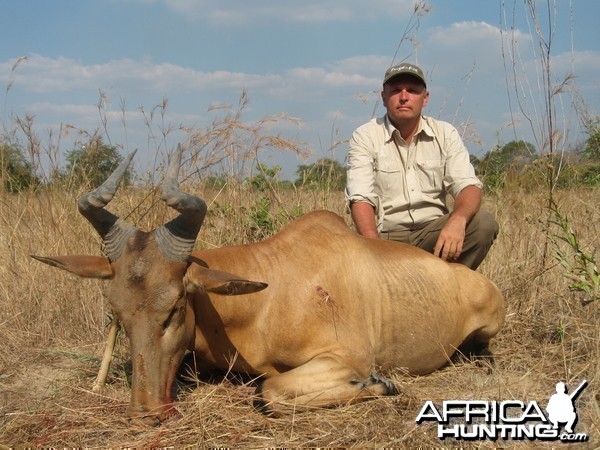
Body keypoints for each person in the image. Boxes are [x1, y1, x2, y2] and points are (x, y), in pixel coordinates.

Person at [345, 62, 498, 270]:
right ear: (383, 97)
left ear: (425, 98)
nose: (404, 97)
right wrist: (374, 247)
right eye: (396, 90)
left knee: (483, 224)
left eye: (412, 91)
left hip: (433, 234)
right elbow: (360, 196)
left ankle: (446, 289)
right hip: (388, 237)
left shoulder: (445, 133)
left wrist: (458, 220)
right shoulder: (365, 135)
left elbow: (468, 186)